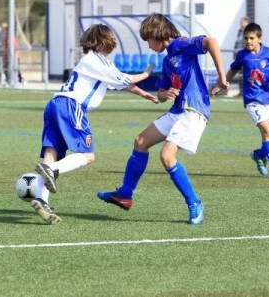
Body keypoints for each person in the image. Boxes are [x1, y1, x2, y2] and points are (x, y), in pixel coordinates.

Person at [97, 13, 228, 225]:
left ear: (158, 34)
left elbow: (211, 41)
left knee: (167, 156)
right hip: (178, 111)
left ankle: (195, 203)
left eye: (148, 39)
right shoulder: (168, 60)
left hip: (194, 110)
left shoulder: (182, 44)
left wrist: (222, 77)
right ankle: (125, 194)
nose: (148, 46)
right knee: (140, 142)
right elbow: (162, 92)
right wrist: (164, 94)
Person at [30, 24, 158, 224]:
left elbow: (118, 83)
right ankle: (52, 171)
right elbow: (124, 78)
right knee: (87, 156)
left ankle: (41, 199)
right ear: (106, 41)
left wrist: (143, 94)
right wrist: (146, 74)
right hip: (71, 106)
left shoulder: (96, 63)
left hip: (55, 104)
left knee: (51, 154)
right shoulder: (96, 61)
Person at [219, 22, 269, 180]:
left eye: (251, 38)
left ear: (259, 38)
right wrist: (222, 84)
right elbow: (233, 70)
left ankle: (259, 154)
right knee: (267, 130)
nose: (248, 41)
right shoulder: (243, 55)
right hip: (253, 100)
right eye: (246, 38)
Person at [233, 16, 251, 96]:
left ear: (247, 22)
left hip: (246, 56)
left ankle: (246, 91)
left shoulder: (250, 31)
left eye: (242, 22)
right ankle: (241, 91)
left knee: (246, 74)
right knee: (240, 73)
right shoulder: (240, 31)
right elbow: (237, 43)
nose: (240, 23)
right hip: (239, 56)